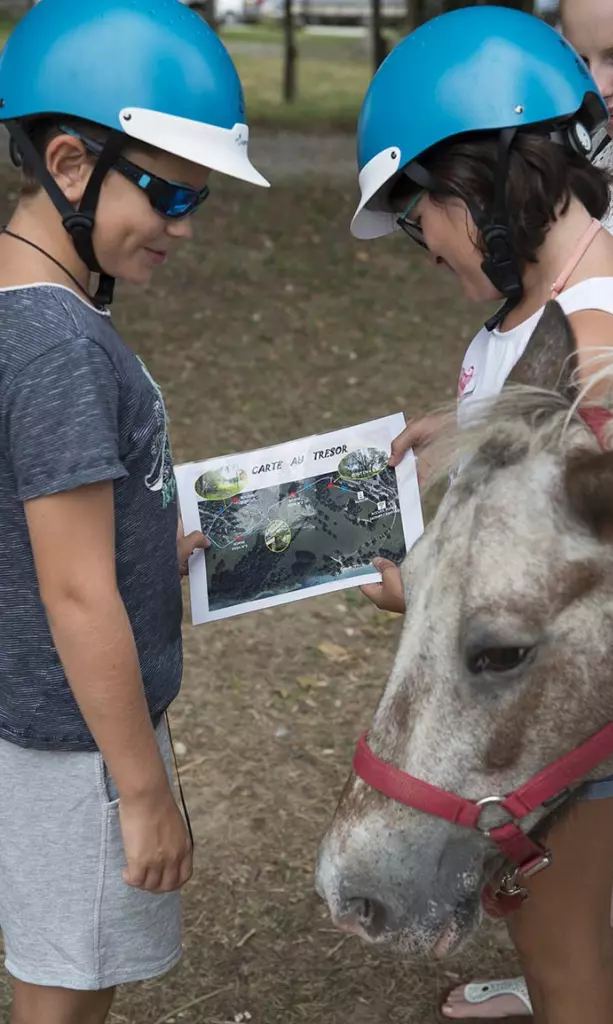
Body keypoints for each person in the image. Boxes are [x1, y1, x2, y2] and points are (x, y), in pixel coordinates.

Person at [352, 7, 613, 1023]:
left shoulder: (599, 339)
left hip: (551, 716)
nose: (419, 240)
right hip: (524, 710)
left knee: (565, 969)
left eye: (416, 208)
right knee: (548, 948)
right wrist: (459, 429)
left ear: (490, 178)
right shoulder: (543, 312)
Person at [0, 1, 268, 1022]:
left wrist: (153, 547)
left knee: (78, 969)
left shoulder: (42, 313)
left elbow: (51, 541)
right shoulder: (59, 345)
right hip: (82, 752)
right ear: (70, 165)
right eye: (165, 193)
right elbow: (73, 590)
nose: (184, 228)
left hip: (73, 734)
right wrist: (142, 789)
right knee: (62, 994)